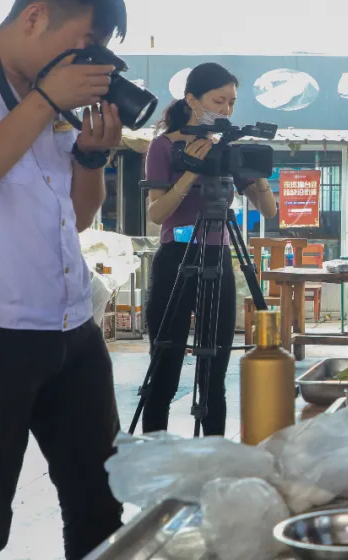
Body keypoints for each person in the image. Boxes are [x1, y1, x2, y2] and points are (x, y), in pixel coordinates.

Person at [0, 0, 127, 557]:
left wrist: (91, 156)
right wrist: (42, 102)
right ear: (35, 16)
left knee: (101, 499)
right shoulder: (34, 94)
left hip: (70, 324)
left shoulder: (52, 98)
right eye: (84, 42)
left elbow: (81, 214)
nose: (88, 61)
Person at [143, 62, 278, 436]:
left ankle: (213, 454)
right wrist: (192, 170)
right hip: (176, 258)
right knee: (165, 364)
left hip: (218, 259)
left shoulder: (227, 150)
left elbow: (270, 211)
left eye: (232, 103)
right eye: (219, 100)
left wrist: (254, 175)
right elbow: (157, 214)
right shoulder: (163, 146)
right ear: (191, 99)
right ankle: (155, 455)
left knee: (215, 369)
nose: (227, 110)